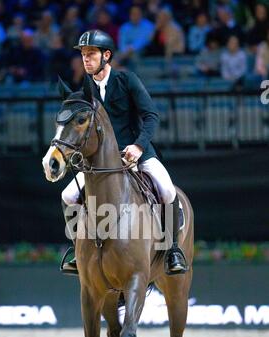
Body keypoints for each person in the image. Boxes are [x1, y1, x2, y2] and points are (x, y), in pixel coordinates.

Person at [61, 30, 188, 275]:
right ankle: (77, 249)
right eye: (83, 55)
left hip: (136, 151)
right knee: (67, 196)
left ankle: (172, 250)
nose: (85, 59)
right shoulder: (85, 92)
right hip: (102, 162)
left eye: (91, 54)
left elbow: (151, 116)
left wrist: (139, 146)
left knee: (167, 189)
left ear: (106, 55)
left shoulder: (127, 80)